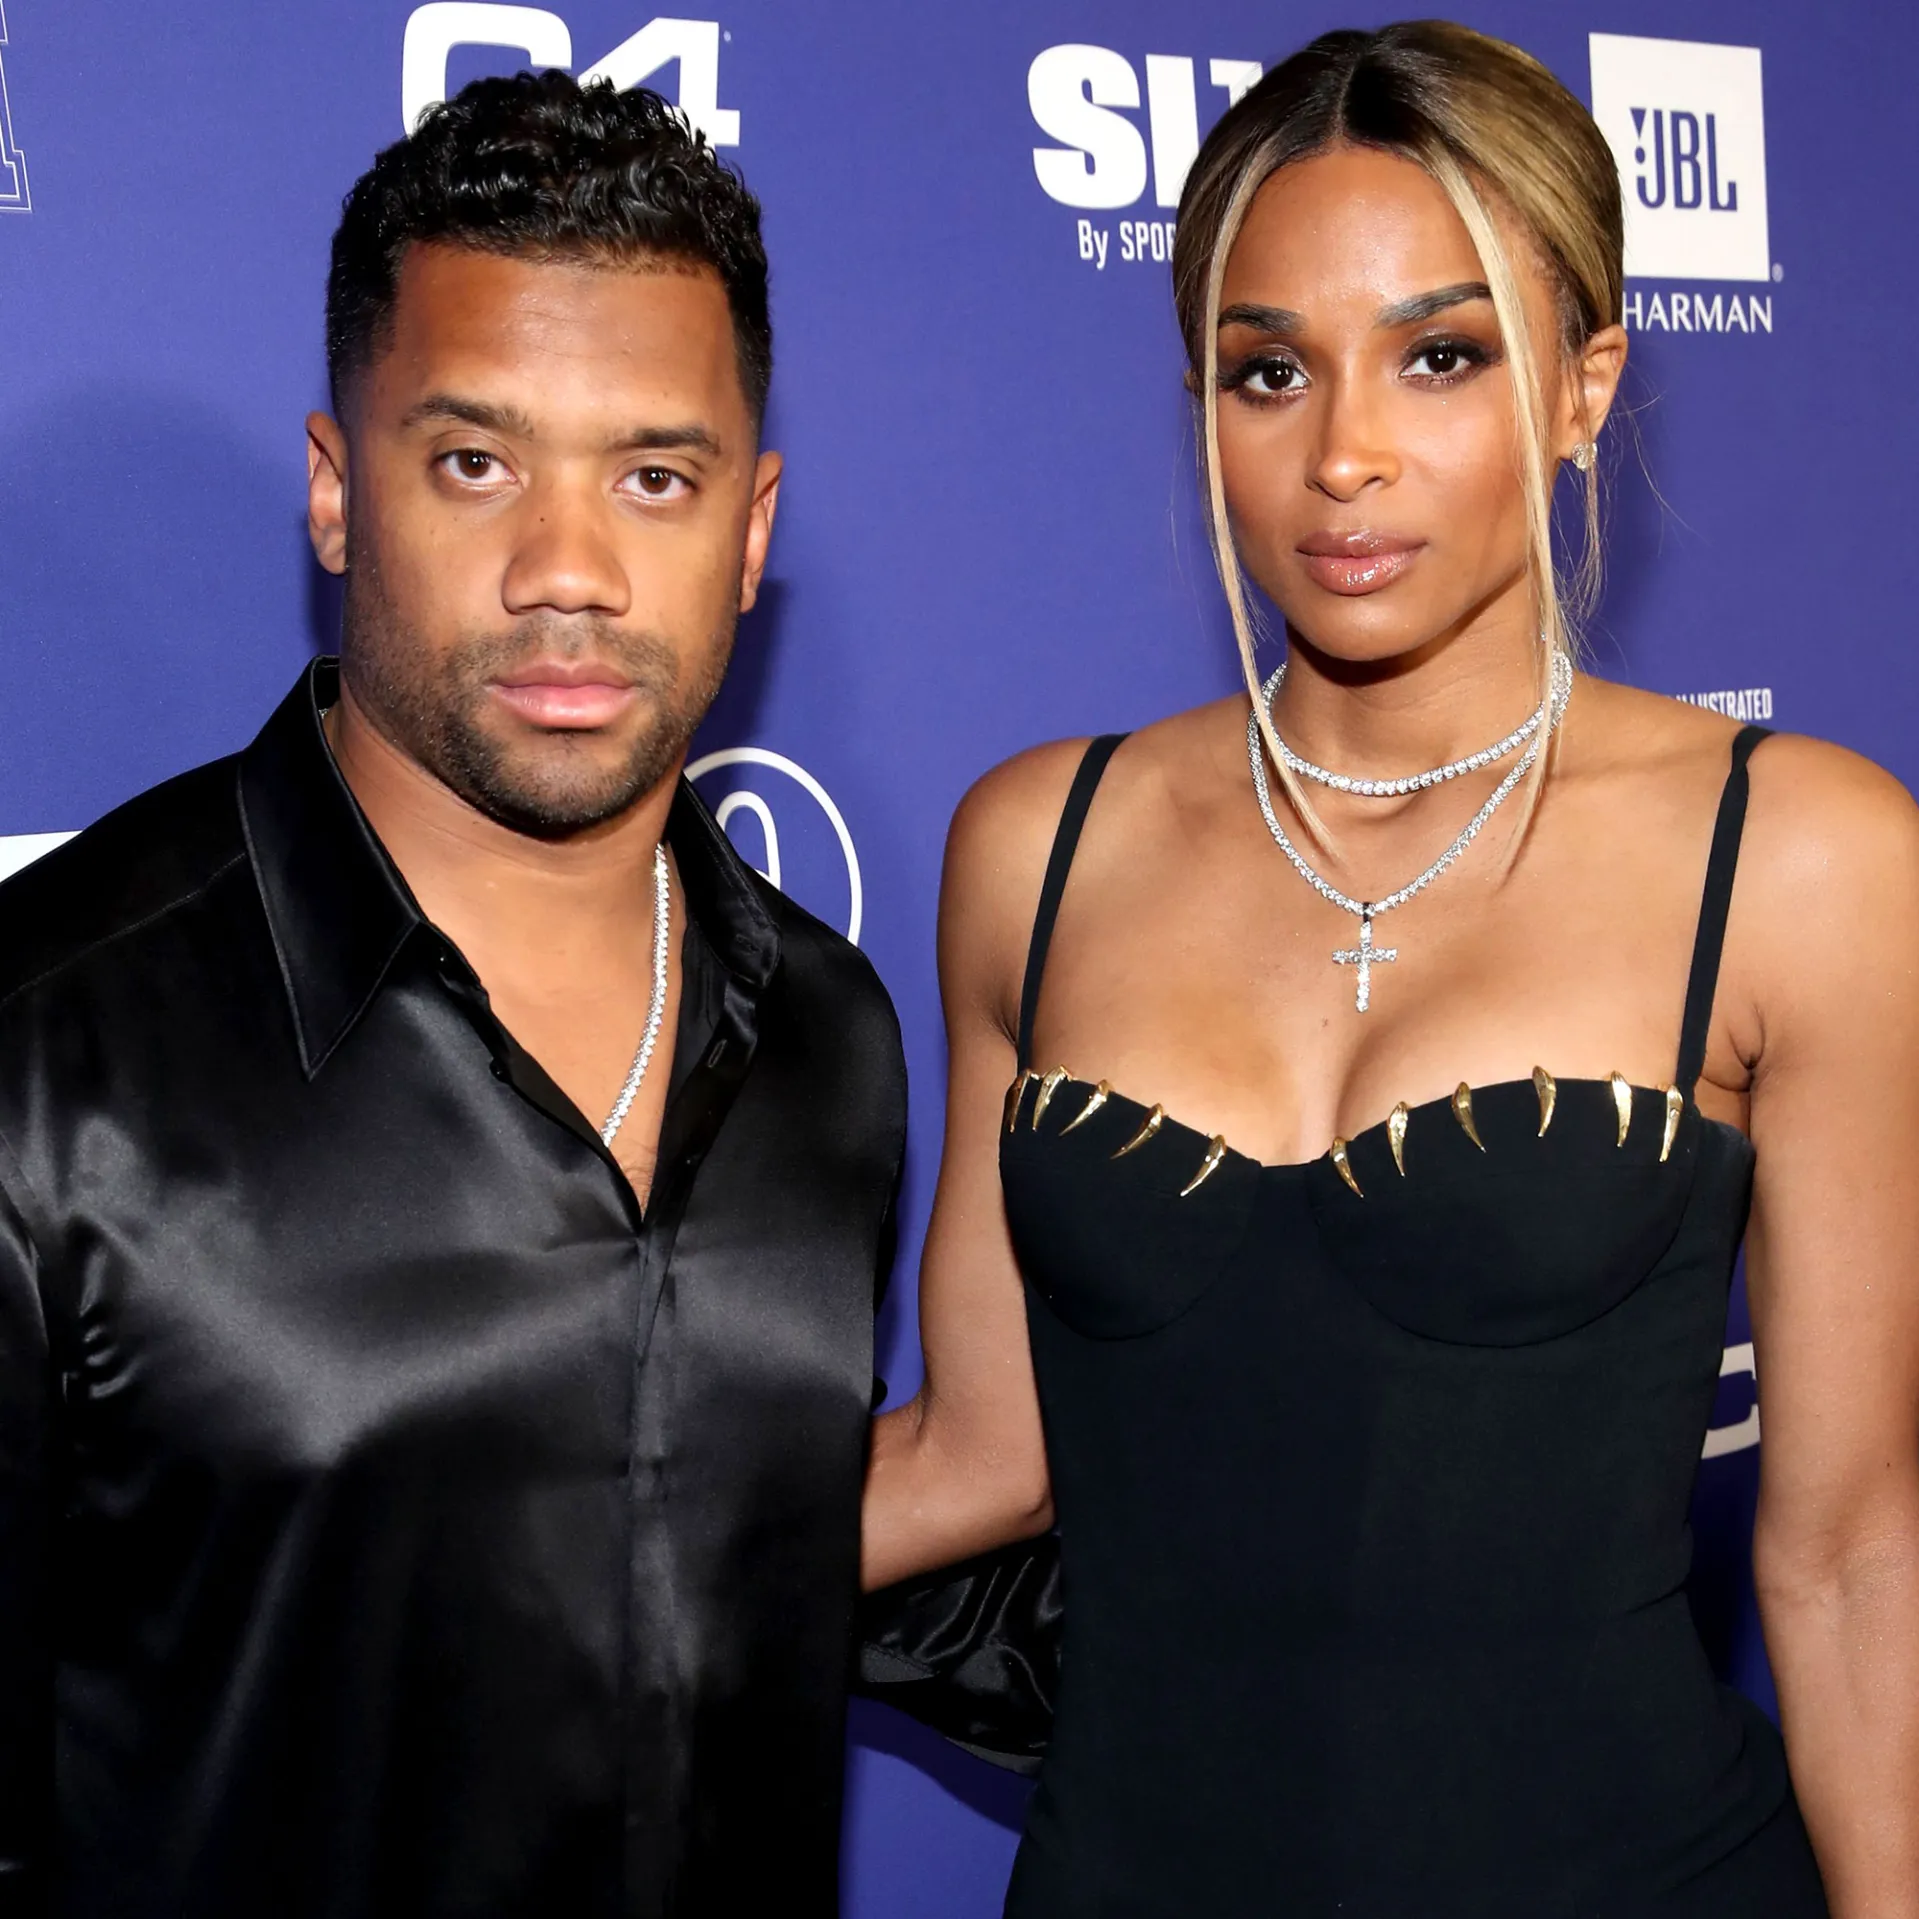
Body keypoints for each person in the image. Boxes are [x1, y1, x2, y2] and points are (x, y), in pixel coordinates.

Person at [863, 21, 1919, 1915]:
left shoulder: (1798, 852)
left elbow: (1847, 1552)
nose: (1342, 454)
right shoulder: (1038, 845)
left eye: (1441, 356)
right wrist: (497, 1556)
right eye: (1266, 370)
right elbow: (980, 1452)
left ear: (1584, 385)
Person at [0, 74, 908, 1917]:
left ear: (750, 528)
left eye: (653, 478)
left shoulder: (829, 1032)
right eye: (476, 463)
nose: (569, 571)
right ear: (339, 494)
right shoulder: (45, 1045)